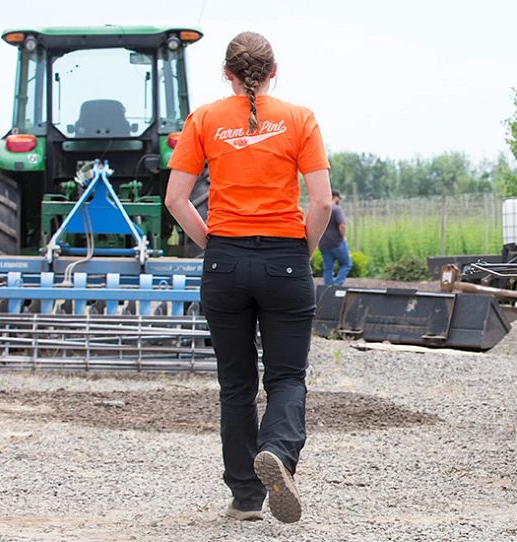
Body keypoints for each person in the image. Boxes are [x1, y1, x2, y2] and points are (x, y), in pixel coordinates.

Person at [164, 31, 332, 524]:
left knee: (236, 384)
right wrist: (303, 250)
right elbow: (321, 201)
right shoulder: (300, 119)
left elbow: (176, 200)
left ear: (227, 74)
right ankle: (278, 450)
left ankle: (244, 497)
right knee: (285, 377)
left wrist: (214, 245)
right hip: (284, 258)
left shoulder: (205, 120)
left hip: (226, 261)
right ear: (274, 71)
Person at [319, 191, 353, 286]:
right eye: (339, 198)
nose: (339, 201)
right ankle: (337, 285)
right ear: (335, 197)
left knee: (328, 268)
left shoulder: (321, 209)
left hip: (323, 243)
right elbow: (342, 225)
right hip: (336, 242)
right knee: (347, 264)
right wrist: (343, 237)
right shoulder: (337, 209)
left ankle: (327, 289)